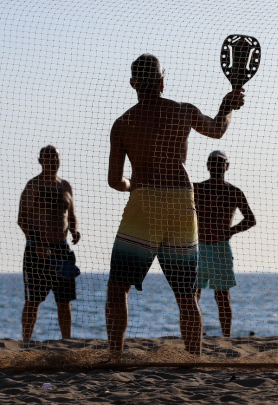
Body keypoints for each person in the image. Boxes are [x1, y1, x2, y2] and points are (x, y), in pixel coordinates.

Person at [106, 54, 244, 357]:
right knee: (186, 295)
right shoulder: (182, 112)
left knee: (118, 289)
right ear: (162, 82)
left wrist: (133, 183)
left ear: (132, 84)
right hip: (182, 201)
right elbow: (218, 128)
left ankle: (115, 355)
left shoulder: (123, 123)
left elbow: (115, 181)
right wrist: (227, 105)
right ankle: (194, 357)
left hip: (145, 202)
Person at [17, 145, 81, 341]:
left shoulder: (65, 186)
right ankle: (26, 341)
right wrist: (36, 243)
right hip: (37, 251)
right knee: (33, 300)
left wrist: (74, 230)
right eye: (48, 158)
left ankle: (67, 340)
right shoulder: (33, 185)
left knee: (64, 301)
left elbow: (72, 216)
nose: (52, 161)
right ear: (40, 161)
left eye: (55, 158)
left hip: (62, 250)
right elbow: (22, 218)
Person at [194, 151, 256, 337]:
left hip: (221, 249)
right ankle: (195, 333)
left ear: (227, 166)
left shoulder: (234, 192)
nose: (216, 166)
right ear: (207, 165)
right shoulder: (195, 188)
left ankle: (226, 337)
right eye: (213, 162)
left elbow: (250, 219)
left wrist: (230, 231)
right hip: (198, 248)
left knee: (222, 296)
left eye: (220, 163)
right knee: (191, 295)